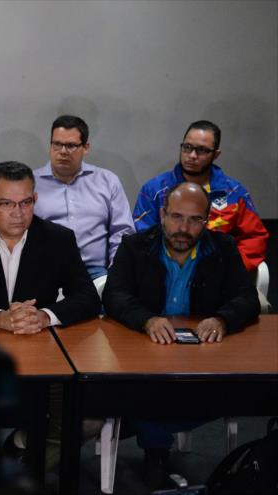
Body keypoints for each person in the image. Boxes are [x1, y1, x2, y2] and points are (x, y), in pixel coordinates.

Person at [0, 161, 100, 467]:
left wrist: (45, 316)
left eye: (26, 203)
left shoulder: (58, 239)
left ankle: (21, 459)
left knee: (88, 420)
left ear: (35, 200)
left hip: (42, 355)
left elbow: (88, 297)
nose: (18, 212)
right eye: (7, 203)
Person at [103, 182, 260, 488]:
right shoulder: (134, 246)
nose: (183, 228)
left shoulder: (223, 248)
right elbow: (114, 295)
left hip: (200, 357)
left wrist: (222, 319)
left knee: (219, 392)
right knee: (139, 388)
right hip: (145, 354)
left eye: (194, 220)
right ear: (162, 214)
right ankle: (156, 451)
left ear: (206, 220)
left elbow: (247, 299)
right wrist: (147, 320)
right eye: (176, 217)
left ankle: (152, 442)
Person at [132, 120, 268, 272]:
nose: (192, 155)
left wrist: (231, 268)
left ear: (215, 155)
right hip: (167, 273)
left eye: (202, 150)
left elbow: (254, 238)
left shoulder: (235, 192)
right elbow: (143, 238)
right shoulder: (154, 190)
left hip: (220, 276)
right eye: (187, 147)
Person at [34, 115, 134, 279]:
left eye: (71, 145)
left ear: (86, 147)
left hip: (96, 272)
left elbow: (123, 232)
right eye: (57, 144)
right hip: (46, 272)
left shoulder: (107, 181)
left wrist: (116, 273)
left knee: (116, 300)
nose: (63, 151)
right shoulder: (31, 183)